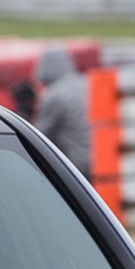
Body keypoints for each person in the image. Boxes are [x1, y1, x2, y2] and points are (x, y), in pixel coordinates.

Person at [32, 46, 91, 177]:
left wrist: (25, 113)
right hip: (103, 161)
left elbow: (38, 137)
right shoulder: (88, 83)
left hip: (80, 167)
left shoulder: (55, 95)